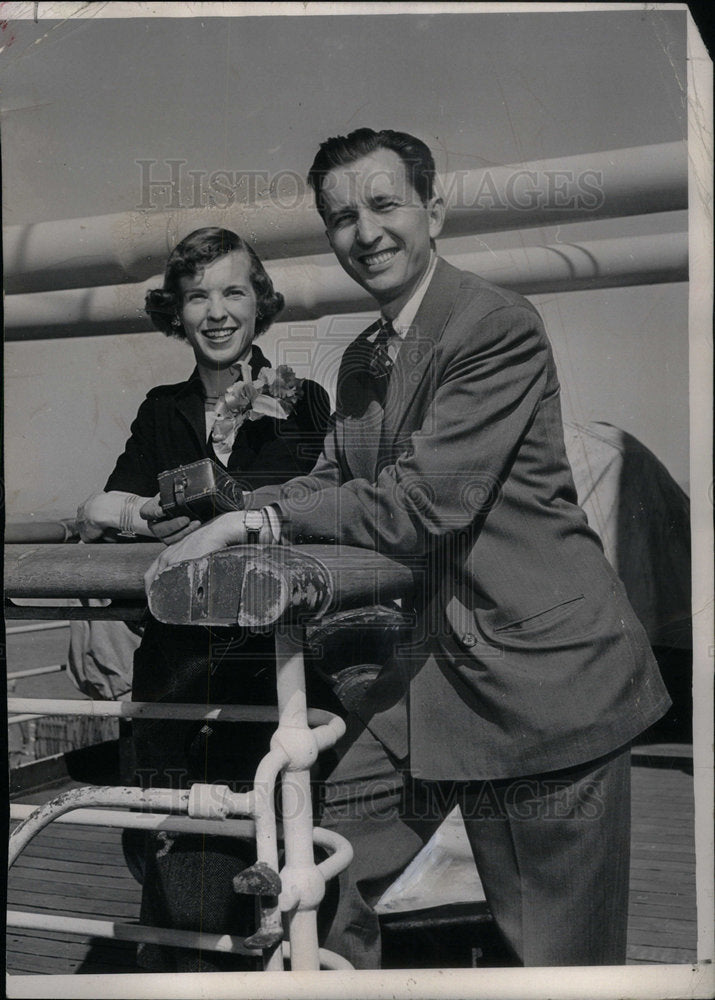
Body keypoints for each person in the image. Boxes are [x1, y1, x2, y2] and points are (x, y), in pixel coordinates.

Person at [145, 131, 671, 968]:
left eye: (384, 205)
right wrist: (225, 512)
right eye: (341, 216)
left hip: (546, 683)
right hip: (431, 675)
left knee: (552, 956)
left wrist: (258, 527)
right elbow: (328, 477)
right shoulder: (361, 356)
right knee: (319, 844)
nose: (365, 232)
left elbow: (428, 500)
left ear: (433, 210)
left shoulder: (494, 325)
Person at [77, 226, 334, 971]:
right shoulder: (163, 408)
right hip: (175, 673)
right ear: (176, 313)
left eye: (232, 291)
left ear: (260, 304)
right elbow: (106, 502)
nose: (216, 312)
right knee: (165, 851)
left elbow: (307, 507)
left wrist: (227, 517)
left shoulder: (302, 399)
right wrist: (139, 514)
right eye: (197, 296)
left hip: (269, 668)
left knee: (272, 865)